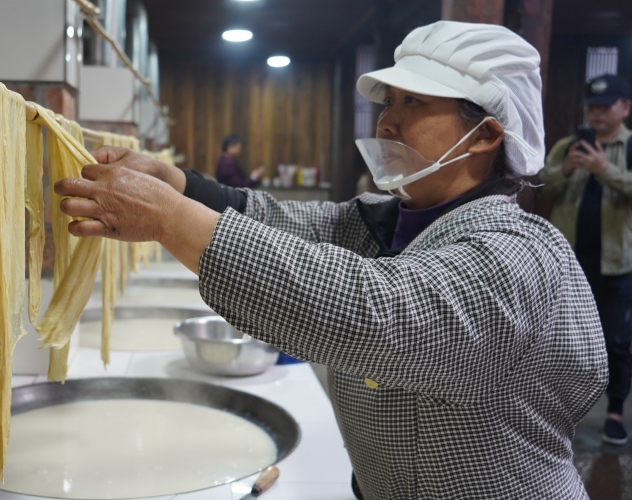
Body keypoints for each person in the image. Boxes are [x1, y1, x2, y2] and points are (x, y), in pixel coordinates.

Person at [56, 21, 607, 498]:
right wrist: (176, 183)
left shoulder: (519, 251)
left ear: (485, 134)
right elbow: (278, 221)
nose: (386, 123)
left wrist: (170, 219)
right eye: (388, 102)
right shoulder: (382, 220)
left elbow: (381, 317)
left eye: (413, 103)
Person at [539, 74, 632, 445]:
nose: (596, 112)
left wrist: (603, 170)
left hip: (616, 261)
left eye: (605, 105)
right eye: (591, 106)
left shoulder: (629, 146)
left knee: (617, 340)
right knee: (560, 338)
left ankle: (614, 412)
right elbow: (540, 186)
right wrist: (564, 170)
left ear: (625, 107)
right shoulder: (568, 145)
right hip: (567, 260)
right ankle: (559, 409)